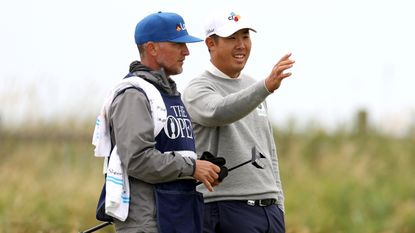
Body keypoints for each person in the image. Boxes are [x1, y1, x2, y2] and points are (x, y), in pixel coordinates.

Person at [94, 11, 224, 233]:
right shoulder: (133, 95)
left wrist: (204, 168)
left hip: (176, 219)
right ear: (152, 48)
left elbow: (169, 155)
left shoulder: (169, 94)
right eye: (177, 44)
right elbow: (137, 159)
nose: (187, 51)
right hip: (148, 224)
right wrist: (193, 168)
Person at [182, 10, 295, 233]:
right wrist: (265, 87)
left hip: (269, 210)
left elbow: (268, 151)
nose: (241, 45)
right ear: (210, 44)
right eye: (232, 38)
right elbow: (218, 111)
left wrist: (278, 203)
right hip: (225, 207)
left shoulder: (254, 87)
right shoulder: (198, 88)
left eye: (245, 36)